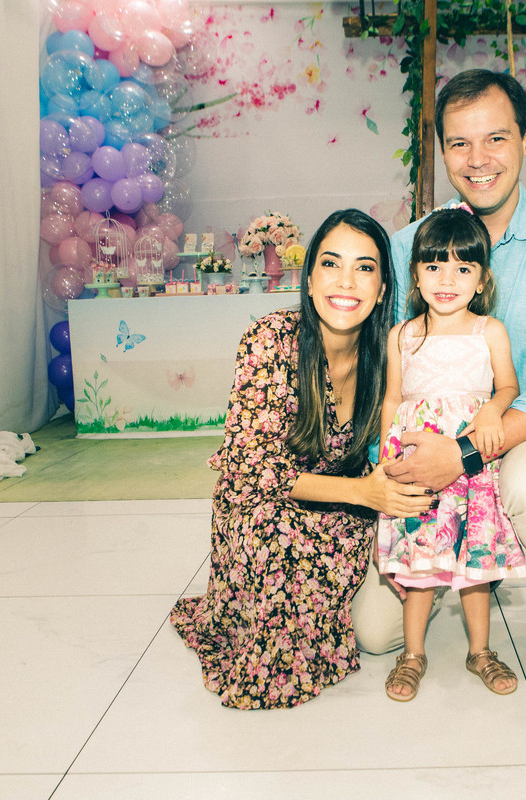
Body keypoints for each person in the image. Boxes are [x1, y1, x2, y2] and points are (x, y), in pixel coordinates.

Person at [351, 68, 526, 689]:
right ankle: (450, 564)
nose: (478, 159)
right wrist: (391, 465)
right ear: (442, 152)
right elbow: (382, 369)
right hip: (425, 440)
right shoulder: (410, 246)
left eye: (496, 138)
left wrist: (462, 455)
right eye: (460, 143)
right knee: (376, 635)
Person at [171, 208, 433, 710]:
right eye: (331, 264)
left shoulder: (392, 354)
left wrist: (393, 521)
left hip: (348, 514)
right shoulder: (270, 339)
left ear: (382, 290)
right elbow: (251, 466)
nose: (346, 281)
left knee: (377, 635)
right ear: (309, 279)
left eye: (364, 268)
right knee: (276, 549)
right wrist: (365, 493)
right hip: (265, 508)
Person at [376, 207, 526, 701]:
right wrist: (384, 458)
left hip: (470, 464)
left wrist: (492, 411)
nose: (447, 279)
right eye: (434, 266)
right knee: (421, 564)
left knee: (473, 568)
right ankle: (412, 655)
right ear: (416, 276)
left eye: (463, 268)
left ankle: (480, 651)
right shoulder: (403, 336)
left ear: (482, 280)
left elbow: (508, 386)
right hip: (417, 465)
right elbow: (393, 399)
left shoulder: (489, 331)